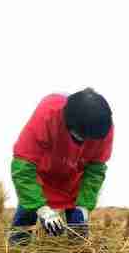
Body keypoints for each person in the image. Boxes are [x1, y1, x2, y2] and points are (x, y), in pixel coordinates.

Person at [9, 88, 114, 245]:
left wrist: (84, 206)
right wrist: (41, 209)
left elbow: (95, 172)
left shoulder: (102, 127)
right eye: (80, 136)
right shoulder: (48, 113)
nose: (84, 143)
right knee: (24, 221)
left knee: (79, 234)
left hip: (74, 184)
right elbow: (23, 166)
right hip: (41, 178)